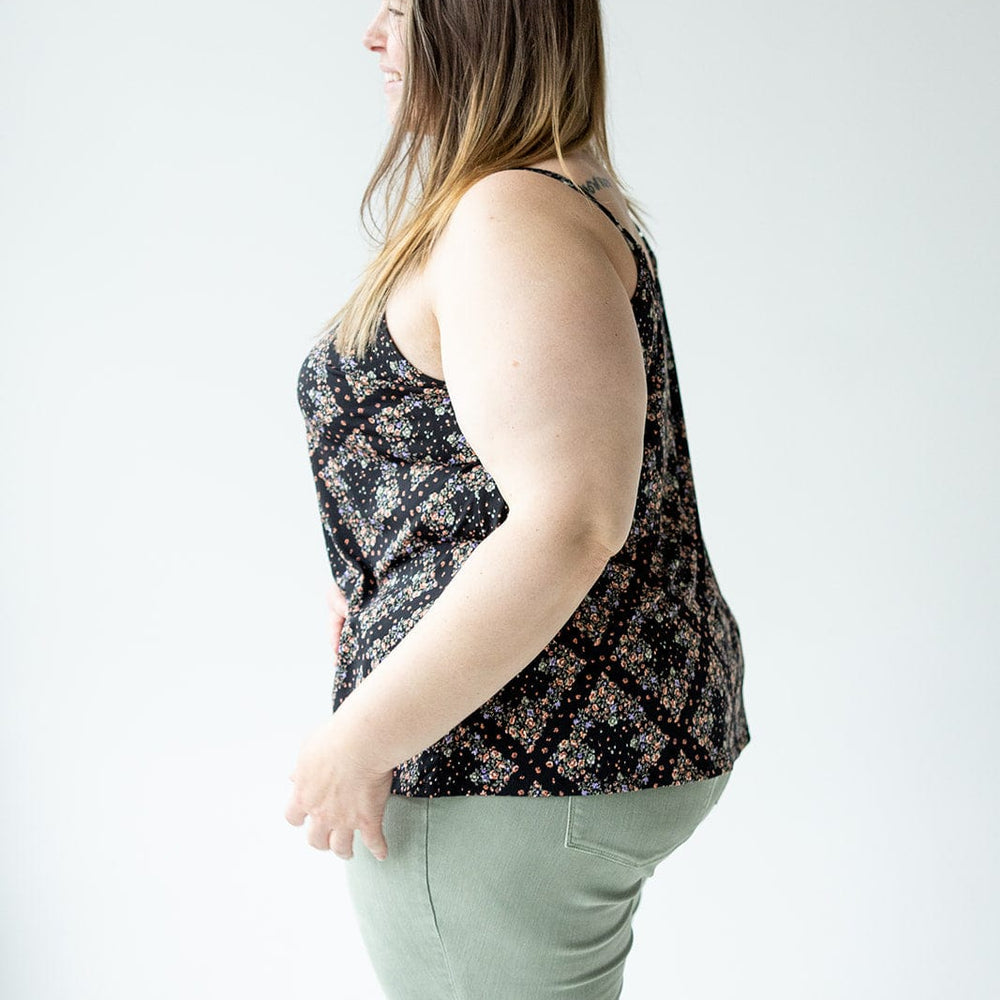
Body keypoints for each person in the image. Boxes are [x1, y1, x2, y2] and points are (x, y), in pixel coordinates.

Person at [286, 1, 751, 997]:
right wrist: (382, 579)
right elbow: (493, 473)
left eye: (403, 10)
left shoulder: (511, 213)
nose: (374, 35)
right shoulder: (547, 198)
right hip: (549, 746)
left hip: (506, 754)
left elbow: (574, 518)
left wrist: (357, 738)